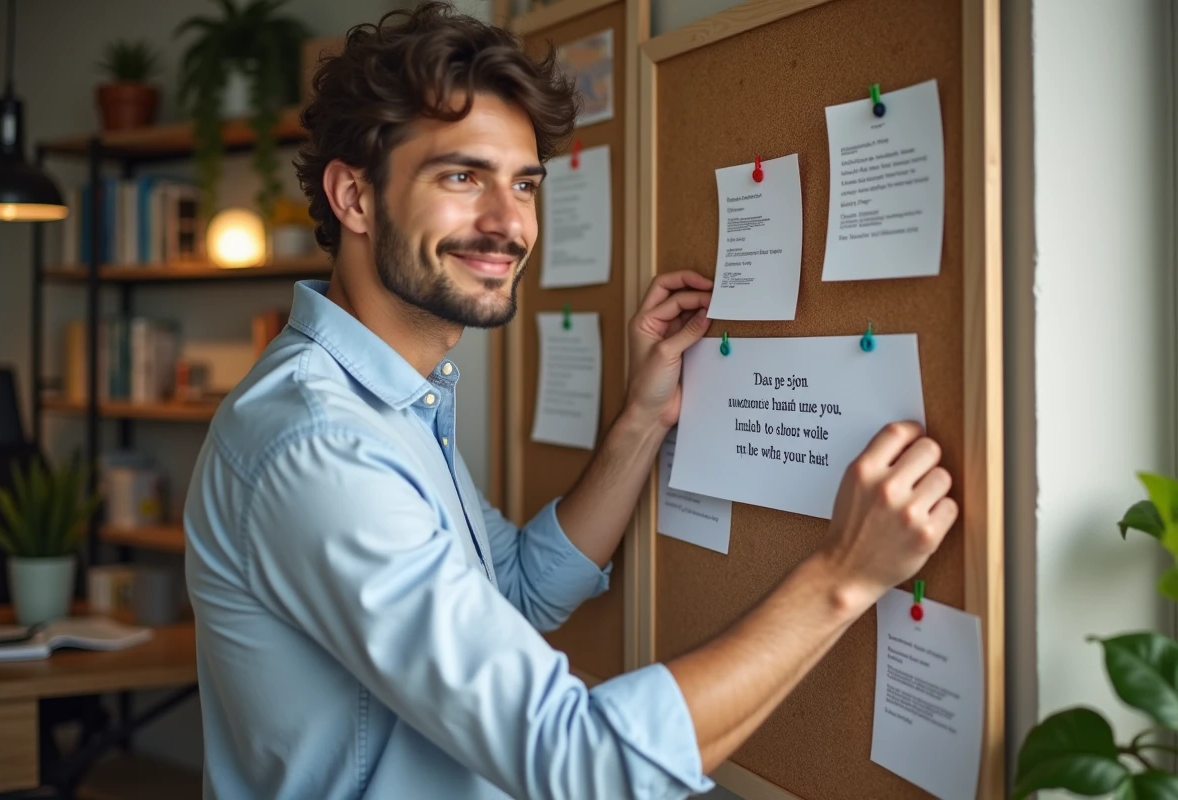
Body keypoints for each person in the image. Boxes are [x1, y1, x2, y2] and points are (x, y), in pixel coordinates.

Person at [182, 4, 958, 798]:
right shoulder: (321, 444)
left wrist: (643, 420)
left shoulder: (390, 406)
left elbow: (518, 588)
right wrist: (842, 577)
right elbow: (580, 765)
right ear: (354, 197)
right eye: (461, 176)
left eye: (524, 184)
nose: (508, 224)